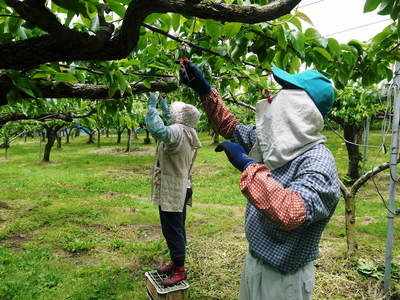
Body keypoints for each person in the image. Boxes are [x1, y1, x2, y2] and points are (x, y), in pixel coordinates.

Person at [180, 64, 340, 299]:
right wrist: (203, 89)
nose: (274, 97)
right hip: (255, 261)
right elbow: (230, 127)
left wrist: (248, 166)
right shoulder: (276, 141)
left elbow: (290, 211)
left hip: (285, 280)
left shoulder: (318, 162)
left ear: (300, 108)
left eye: (285, 91)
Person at [145, 93, 202, 287]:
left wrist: (152, 108)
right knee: (176, 228)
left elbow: (159, 130)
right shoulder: (188, 131)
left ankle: (179, 269)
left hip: (173, 189)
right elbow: (172, 125)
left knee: (172, 230)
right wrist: (165, 105)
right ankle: (176, 262)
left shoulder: (177, 131)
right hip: (182, 186)